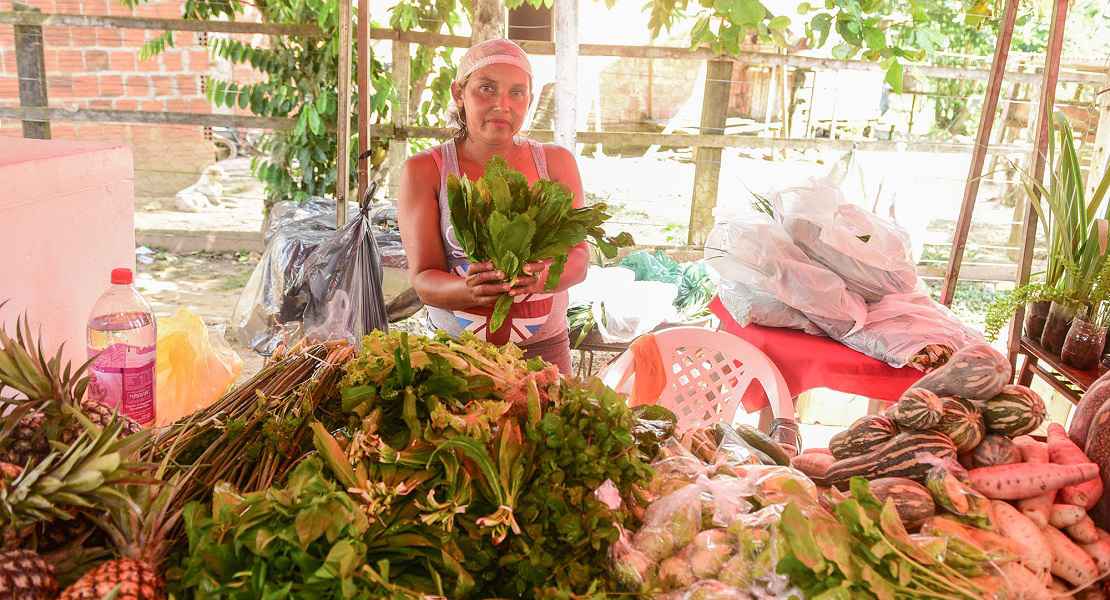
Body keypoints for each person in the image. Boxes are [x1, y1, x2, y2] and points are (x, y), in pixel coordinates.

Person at [397, 38, 587, 375]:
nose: (502, 104)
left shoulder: (556, 163)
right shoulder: (426, 170)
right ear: (459, 94)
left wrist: (541, 277)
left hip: (544, 356)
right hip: (456, 358)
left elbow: (579, 259)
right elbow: (424, 278)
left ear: (530, 98)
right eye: (487, 88)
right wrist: (466, 289)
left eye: (517, 92)